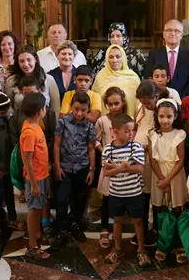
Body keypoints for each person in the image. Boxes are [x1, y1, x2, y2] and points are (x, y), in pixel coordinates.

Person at [102, 113, 150, 267]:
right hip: (116, 193)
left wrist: (119, 167)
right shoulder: (108, 150)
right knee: (117, 221)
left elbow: (138, 169)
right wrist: (122, 167)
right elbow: (106, 172)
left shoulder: (135, 146)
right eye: (127, 131)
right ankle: (117, 248)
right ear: (115, 131)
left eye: (132, 131)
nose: (130, 134)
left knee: (138, 221)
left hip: (134, 193)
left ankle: (141, 250)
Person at [53, 91, 96, 245]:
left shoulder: (90, 126)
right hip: (64, 167)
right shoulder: (62, 123)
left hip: (82, 168)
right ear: (71, 107)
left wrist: (91, 169)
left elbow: (91, 148)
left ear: (88, 110)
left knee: (79, 200)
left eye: (83, 110)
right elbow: (57, 145)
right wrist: (57, 166)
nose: (79, 113)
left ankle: (75, 225)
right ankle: (61, 230)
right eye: (76, 109)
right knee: (61, 200)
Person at [147, 98, 188, 264]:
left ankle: (178, 245)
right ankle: (162, 245)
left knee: (177, 209)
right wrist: (162, 180)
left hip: (175, 175)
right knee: (160, 209)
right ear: (157, 116)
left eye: (169, 116)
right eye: (161, 116)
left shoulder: (179, 134)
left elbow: (181, 160)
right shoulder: (152, 134)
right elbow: (152, 159)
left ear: (175, 116)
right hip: (158, 174)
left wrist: (168, 181)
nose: (165, 120)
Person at [0, 91, 24, 237]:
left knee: (9, 193)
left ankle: (13, 219)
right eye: (2, 112)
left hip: (8, 165)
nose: (4, 114)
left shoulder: (5, 121)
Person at [20, 92, 54, 260]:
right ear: (40, 111)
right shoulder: (29, 132)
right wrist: (33, 184)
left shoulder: (36, 126)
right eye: (45, 107)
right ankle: (32, 246)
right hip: (35, 179)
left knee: (39, 207)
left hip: (42, 175)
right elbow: (27, 160)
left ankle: (38, 235)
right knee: (33, 210)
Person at [95, 87, 128, 249]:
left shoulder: (128, 120)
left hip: (123, 166)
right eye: (110, 104)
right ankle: (104, 229)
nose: (114, 107)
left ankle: (117, 230)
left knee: (120, 199)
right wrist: (105, 151)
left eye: (117, 103)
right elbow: (95, 140)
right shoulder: (102, 120)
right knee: (107, 199)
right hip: (108, 164)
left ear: (123, 103)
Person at [133, 81, 159, 247]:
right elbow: (136, 128)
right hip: (139, 156)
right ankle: (141, 230)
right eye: (142, 101)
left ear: (156, 97)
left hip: (153, 156)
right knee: (141, 194)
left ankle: (154, 229)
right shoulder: (140, 108)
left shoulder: (161, 109)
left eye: (148, 102)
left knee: (154, 194)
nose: (145, 104)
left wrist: (146, 147)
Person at [145, 19, 189, 98]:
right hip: (158, 98)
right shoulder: (154, 54)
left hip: (183, 100)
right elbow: (148, 77)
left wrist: (180, 97)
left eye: (176, 31)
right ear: (163, 34)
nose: (172, 33)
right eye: (169, 30)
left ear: (182, 35)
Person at [6, 45, 61, 117]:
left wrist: (53, 124)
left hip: (44, 124)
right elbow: (8, 106)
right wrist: (13, 120)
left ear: (35, 59)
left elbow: (55, 108)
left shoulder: (49, 79)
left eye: (29, 60)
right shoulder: (11, 81)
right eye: (21, 61)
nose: (25, 64)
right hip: (19, 124)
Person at [91, 44, 141, 116]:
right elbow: (95, 102)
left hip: (129, 123)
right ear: (107, 59)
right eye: (111, 57)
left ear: (123, 58)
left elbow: (139, 104)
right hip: (105, 123)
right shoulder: (100, 77)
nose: (115, 60)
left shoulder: (133, 78)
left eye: (118, 57)